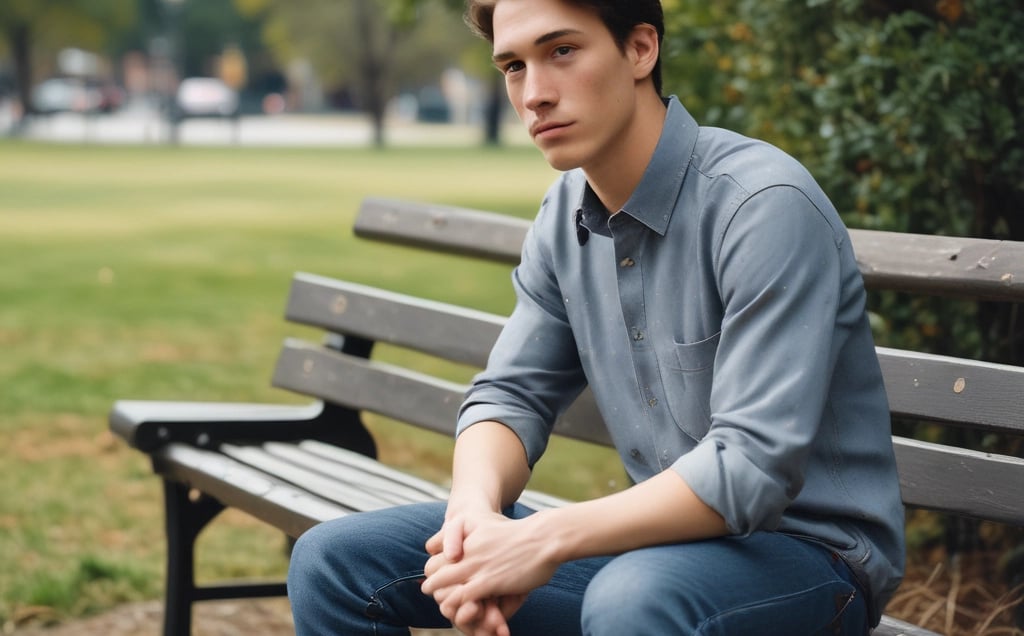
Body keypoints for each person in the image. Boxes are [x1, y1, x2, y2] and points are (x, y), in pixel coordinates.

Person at [287, 0, 906, 634]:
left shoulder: (762, 206)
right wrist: (474, 515)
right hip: (653, 555)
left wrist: (546, 538)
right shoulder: (564, 215)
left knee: (635, 599)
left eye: (561, 51)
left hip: (811, 561)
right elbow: (510, 395)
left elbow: (751, 468)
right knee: (333, 562)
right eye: (513, 66)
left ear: (641, 49)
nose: (534, 94)